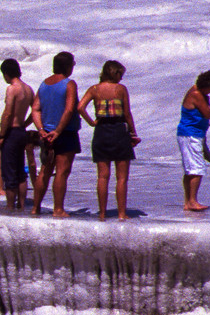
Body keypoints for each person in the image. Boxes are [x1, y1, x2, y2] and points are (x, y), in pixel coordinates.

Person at [78, 59, 138, 221]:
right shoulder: (121, 89)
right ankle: (121, 213)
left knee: (103, 176)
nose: (121, 78)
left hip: (101, 132)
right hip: (118, 130)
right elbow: (127, 114)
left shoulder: (95, 89)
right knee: (122, 177)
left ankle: (103, 213)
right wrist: (133, 132)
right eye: (120, 74)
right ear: (115, 73)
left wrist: (91, 122)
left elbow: (80, 107)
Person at [33, 50, 82, 217]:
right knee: (62, 172)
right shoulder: (69, 84)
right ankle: (58, 209)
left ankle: (35, 208)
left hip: (46, 134)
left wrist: (41, 130)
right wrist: (58, 131)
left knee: (45, 170)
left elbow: (35, 109)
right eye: (73, 64)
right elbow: (69, 110)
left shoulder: (44, 84)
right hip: (65, 133)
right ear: (67, 66)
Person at [0, 58, 38, 210]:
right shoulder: (28, 89)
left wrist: (1, 135)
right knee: (21, 172)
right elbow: (35, 111)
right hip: (21, 131)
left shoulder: (12, 88)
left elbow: (7, 114)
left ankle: (9, 207)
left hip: (12, 133)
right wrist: (25, 124)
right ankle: (21, 205)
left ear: (7, 73)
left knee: (9, 172)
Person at [178, 70, 210, 211]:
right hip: (190, 135)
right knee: (197, 169)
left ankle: (188, 201)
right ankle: (192, 201)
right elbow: (208, 113)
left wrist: (205, 147)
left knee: (191, 169)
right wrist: (207, 101)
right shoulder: (197, 94)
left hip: (194, 134)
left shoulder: (199, 92)